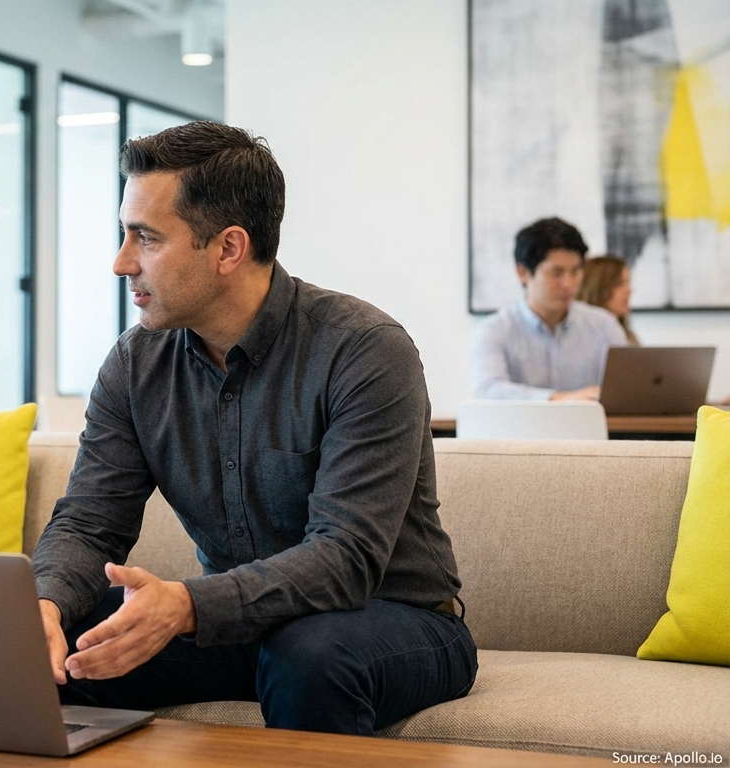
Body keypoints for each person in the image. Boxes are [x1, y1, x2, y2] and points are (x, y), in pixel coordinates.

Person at [30, 122, 475, 736]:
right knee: (46, 644)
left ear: (228, 249)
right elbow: (88, 521)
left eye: (147, 238)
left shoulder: (365, 350)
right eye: (124, 234)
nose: (121, 262)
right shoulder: (136, 365)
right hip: (237, 624)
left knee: (310, 654)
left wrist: (187, 605)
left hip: (390, 619)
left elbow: (344, 559)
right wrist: (45, 604)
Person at [471, 218, 627, 400]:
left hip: (590, 428)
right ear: (523, 273)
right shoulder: (495, 330)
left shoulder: (604, 326)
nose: (568, 284)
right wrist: (559, 399)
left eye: (575, 271)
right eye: (556, 273)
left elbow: (625, 390)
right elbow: (489, 390)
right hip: (521, 428)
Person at [578, 255, 637, 345]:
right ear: (599, 289)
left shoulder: (628, 336)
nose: (629, 291)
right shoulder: (581, 337)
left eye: (628, 283)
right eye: (619, 284)